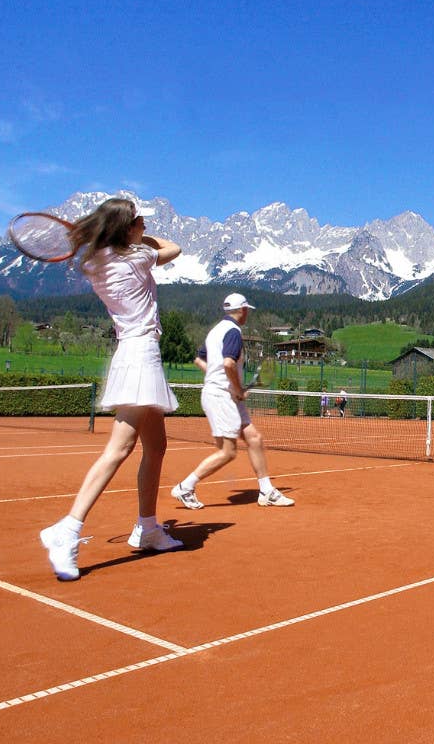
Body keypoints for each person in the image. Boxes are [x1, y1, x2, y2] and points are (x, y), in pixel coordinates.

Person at [39, 197, 183, 581]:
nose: (144, 225)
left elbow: (116, 247)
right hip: (139, 356)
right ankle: (67, 529)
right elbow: (175, 248)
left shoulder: (94, 263)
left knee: (157, 446)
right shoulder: (136, 259)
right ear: (126, 231)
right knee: (119, 449)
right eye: (138, 221)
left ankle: (149, 527)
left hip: (134, 353)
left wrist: (124, 235)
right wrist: (142, 240)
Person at [170, 293, 296, 510]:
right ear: (243, 310)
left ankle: (266, 491)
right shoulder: (234, 332)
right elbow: (228, 364)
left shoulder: (215, 331)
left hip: (222, 394)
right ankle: (185, 487)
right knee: (227, 452)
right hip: (221, 396)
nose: (247, 313)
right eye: (247, 309)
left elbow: (199, 359)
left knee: (254, 438)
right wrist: (236, 388)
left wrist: (222, 381)